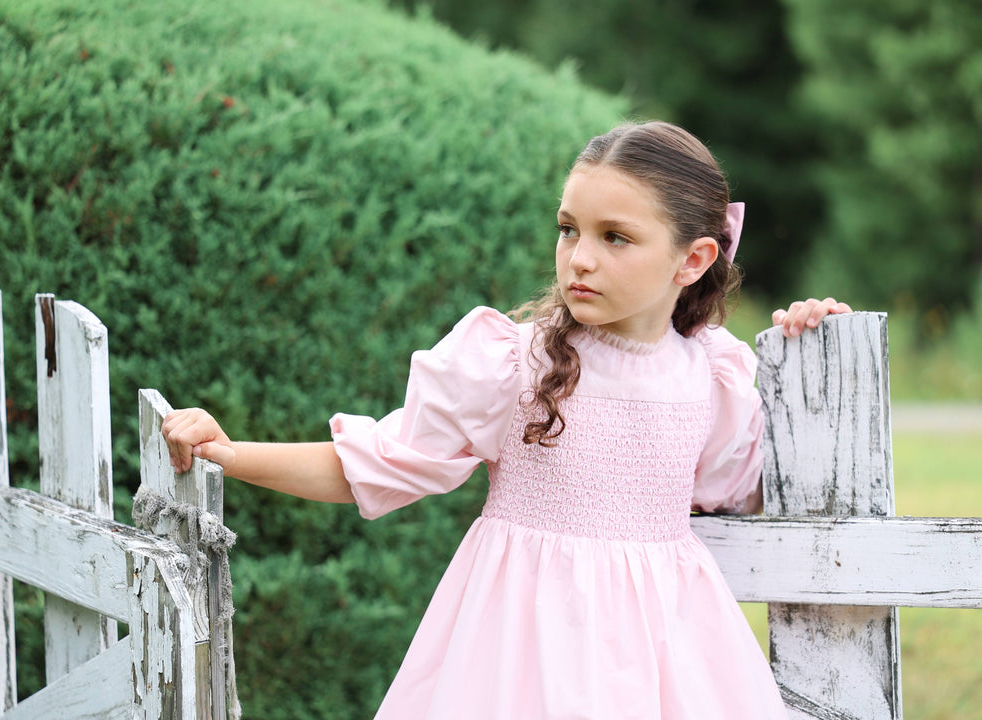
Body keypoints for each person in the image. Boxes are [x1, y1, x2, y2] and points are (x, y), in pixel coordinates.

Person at [162, 120, 851, 719]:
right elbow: (372, 465)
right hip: (519, 657)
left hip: (666, 661)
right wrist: (232, 450)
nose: (579, 258)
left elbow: (749, 486)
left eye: (616, 237)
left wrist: (812, 346)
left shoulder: (712, 377)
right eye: (568, 228)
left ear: (694, 259)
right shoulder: (510, 366)